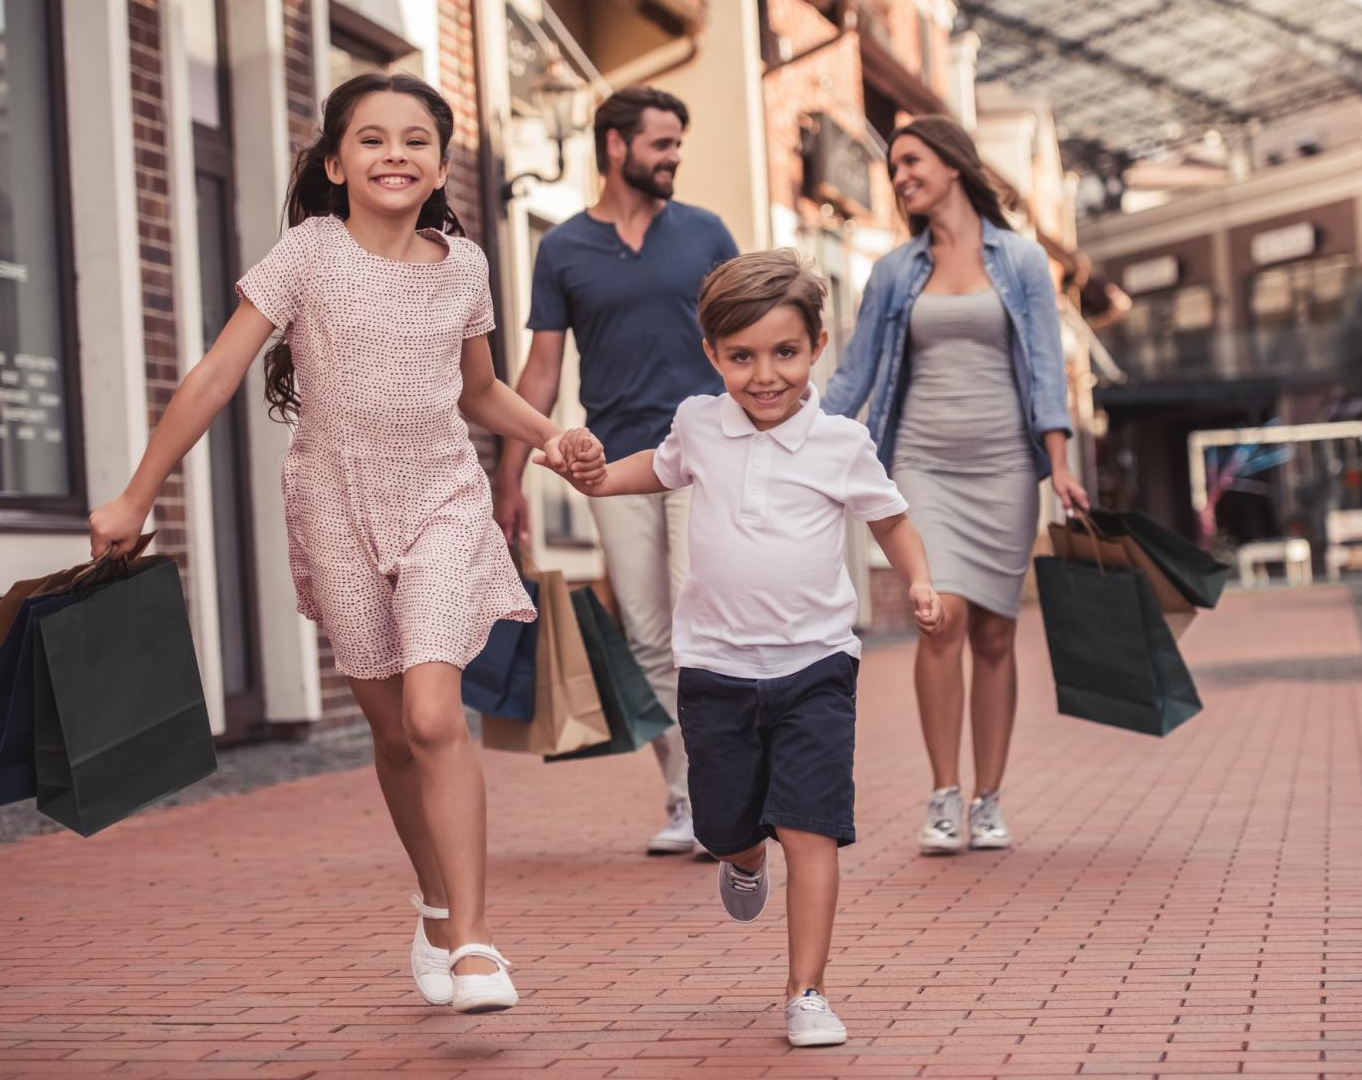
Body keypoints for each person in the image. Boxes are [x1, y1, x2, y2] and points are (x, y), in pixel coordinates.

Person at [88, 72, 602, 1014]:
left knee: (437, 711)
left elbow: (480, 392)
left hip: (443, 499)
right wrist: (137, 491)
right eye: (371, 139)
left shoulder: (468, 266)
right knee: (395, 731)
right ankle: (438, 905)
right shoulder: (309, 253)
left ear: (442, 163)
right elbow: (214, 374)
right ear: (336, 162)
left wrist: (551, 438)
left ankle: (479, 944)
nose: (395, 154)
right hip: (335, 506)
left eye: (416, 139)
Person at [541, 251, 944, 1047]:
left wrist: (921, 581)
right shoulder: (697, 422)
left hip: (817, 664)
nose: (765, 375)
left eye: (784, 352)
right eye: (743, 356)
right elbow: (653, 471)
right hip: (716, 668)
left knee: (812, 826)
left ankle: (807, 991)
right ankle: (742, 857)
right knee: (725, 824)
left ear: (816, 346)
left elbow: (890, 518)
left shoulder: (839, 443)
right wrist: (593, 479)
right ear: (713, 355)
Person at [820, 114, 1090, 856]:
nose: (901, 175)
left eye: (912, 161)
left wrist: (1059, 462)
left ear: (953, 164)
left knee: (997, 633)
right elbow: (855, 374)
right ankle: (944, 794)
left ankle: (989, 797)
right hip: (923, 465)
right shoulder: (894, 270)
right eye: (895, 166)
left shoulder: (1024, 261)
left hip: (1005, 466)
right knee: (941, 618)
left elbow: (1044, 367)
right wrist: (798, 437)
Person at [493, 86, 740, 856]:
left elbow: (748, 334)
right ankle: (686, 795)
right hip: (614, 464)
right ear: (615, 146)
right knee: (646, 630)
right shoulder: (562, 247)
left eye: (676, 145)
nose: (673, 158)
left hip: (703, 454)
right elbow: (539, 371)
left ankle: (722, 789)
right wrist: (511, 477)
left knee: (699, 622)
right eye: (661, 144)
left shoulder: (705, 235)